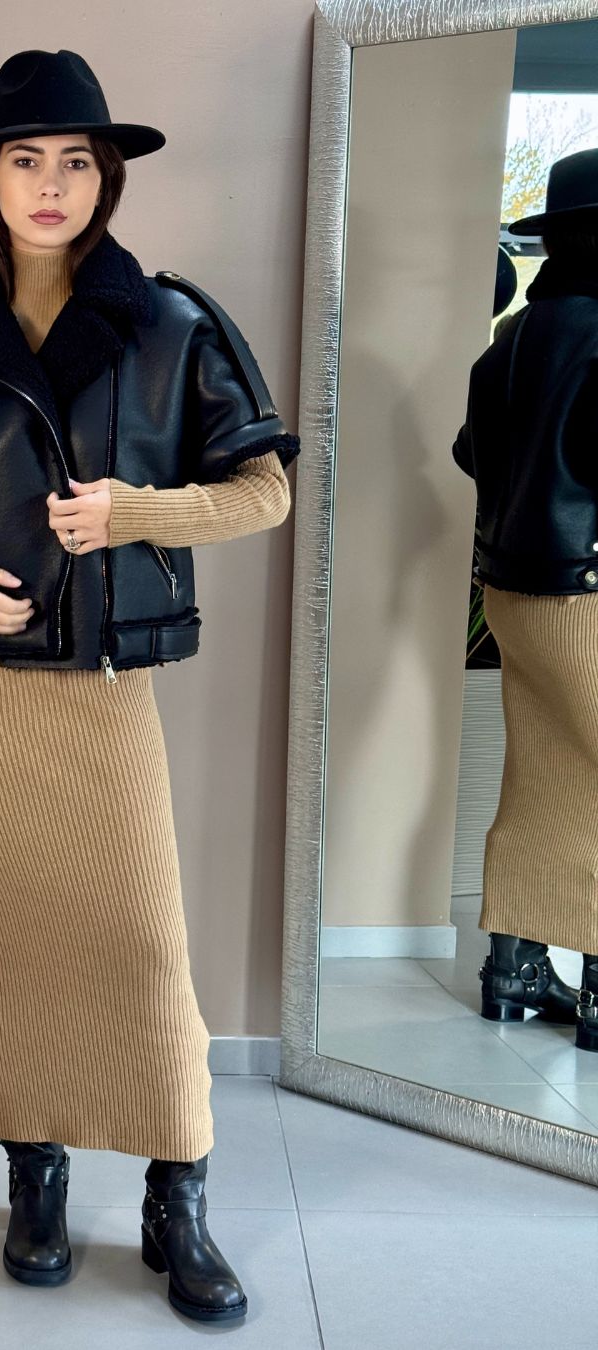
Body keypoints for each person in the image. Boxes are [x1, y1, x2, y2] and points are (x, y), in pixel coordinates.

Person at [0, 49, 299, 1324]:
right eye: (24, 159)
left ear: (106, 178)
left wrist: (140, 511)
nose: (49, 183)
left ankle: (176, 1195)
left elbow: (265, 490)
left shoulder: (171, 325)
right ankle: (36, 1174)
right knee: (15, 940)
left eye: (75, 161)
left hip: (99, 685)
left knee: (143, 943)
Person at [452, 147, 598, 1050]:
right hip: (589, 588)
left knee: (545, 771)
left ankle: (514, 969)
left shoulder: (510, 340)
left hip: (513, 586)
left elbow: (470, 454)